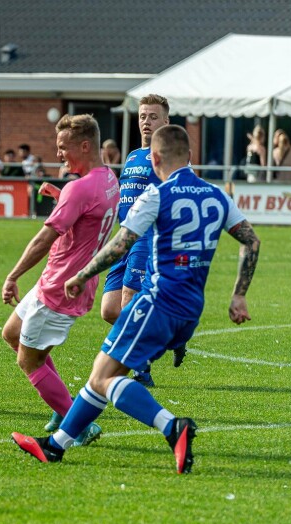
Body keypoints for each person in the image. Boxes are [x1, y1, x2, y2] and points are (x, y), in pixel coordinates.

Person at [12, 124, 261, 474]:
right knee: (103, 372)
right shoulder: (217, 195)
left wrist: (82, 275)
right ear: (189, 156)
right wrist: (238, 295)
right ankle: (54, 447)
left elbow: (120, 245)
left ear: (154, 157)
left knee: (103, 378)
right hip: (190, 311)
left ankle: (172, 426)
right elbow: (252, 241)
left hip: (156, 304)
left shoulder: (156, 195)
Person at [1, 113, 118, 444]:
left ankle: (77, 423)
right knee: (12, 334)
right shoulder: (108, 179)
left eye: (63, 148)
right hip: (66, 281)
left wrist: (13, 275)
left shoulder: (79, 189)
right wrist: (60, 196)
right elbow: (89, 215)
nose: (59, 155)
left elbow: (42, 240)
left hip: (60, 288)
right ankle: (62, 403)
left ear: (84, 145)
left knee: (28, 359)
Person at [96, 94, 177, 392]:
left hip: (148, 237)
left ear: (165, 122)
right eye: (143, 116)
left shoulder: (168, 154)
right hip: (123, 237)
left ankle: (138, 368)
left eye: (153, 117)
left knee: (130, 299)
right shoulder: (131, 157)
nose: (146, 122)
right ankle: (165, 335)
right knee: (109, 310)